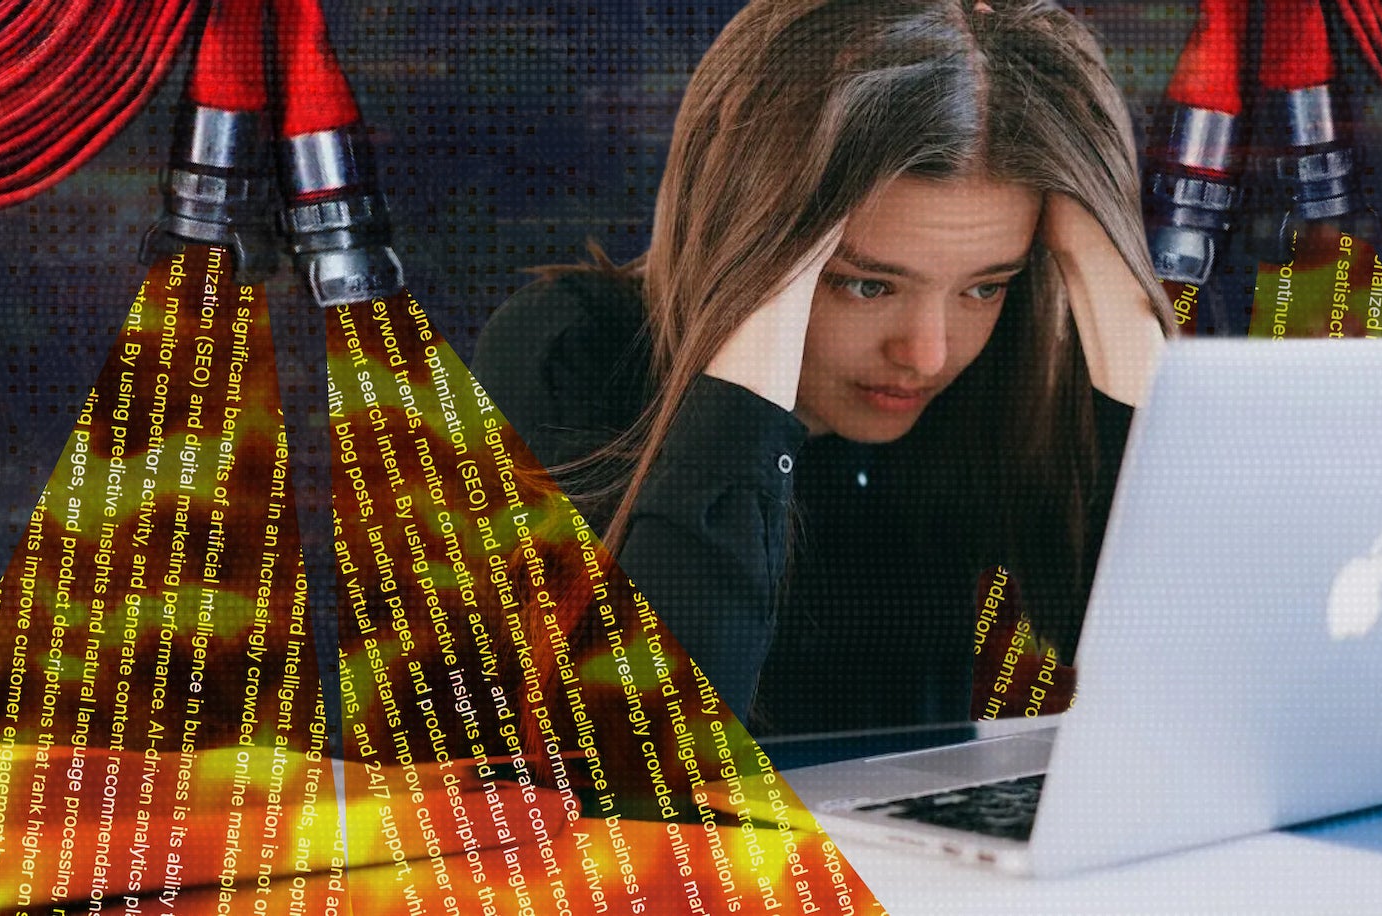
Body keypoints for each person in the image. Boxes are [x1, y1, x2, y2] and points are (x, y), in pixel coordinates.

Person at [471, 0, 1174, 736]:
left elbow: (1199, 685)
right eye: (866, 284)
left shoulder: (990, 382)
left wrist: (1112, 283)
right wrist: (758, 302)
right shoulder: (566, 354)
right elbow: (651, 759)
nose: (927, 355)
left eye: (984, 286)